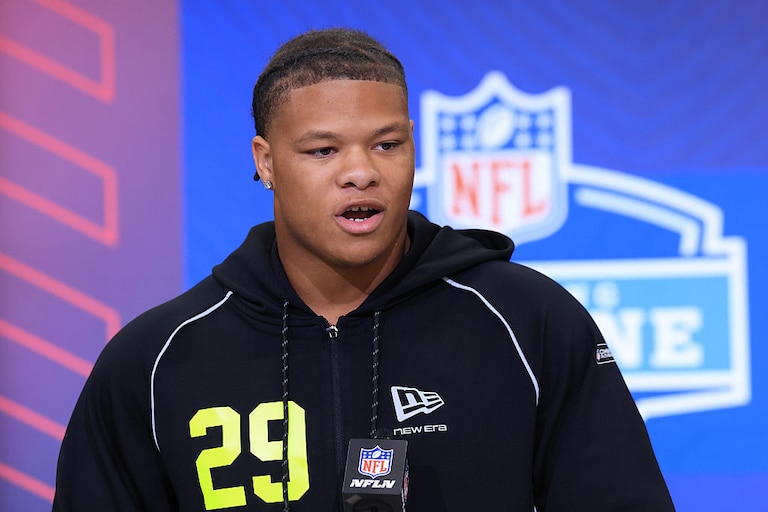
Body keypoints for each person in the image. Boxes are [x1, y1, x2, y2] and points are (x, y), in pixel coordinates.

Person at [53, 28, 675, 511]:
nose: (361, 172)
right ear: (266, 162)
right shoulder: (156, 360)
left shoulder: (528, 320)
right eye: (323, 150)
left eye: (386, 144)